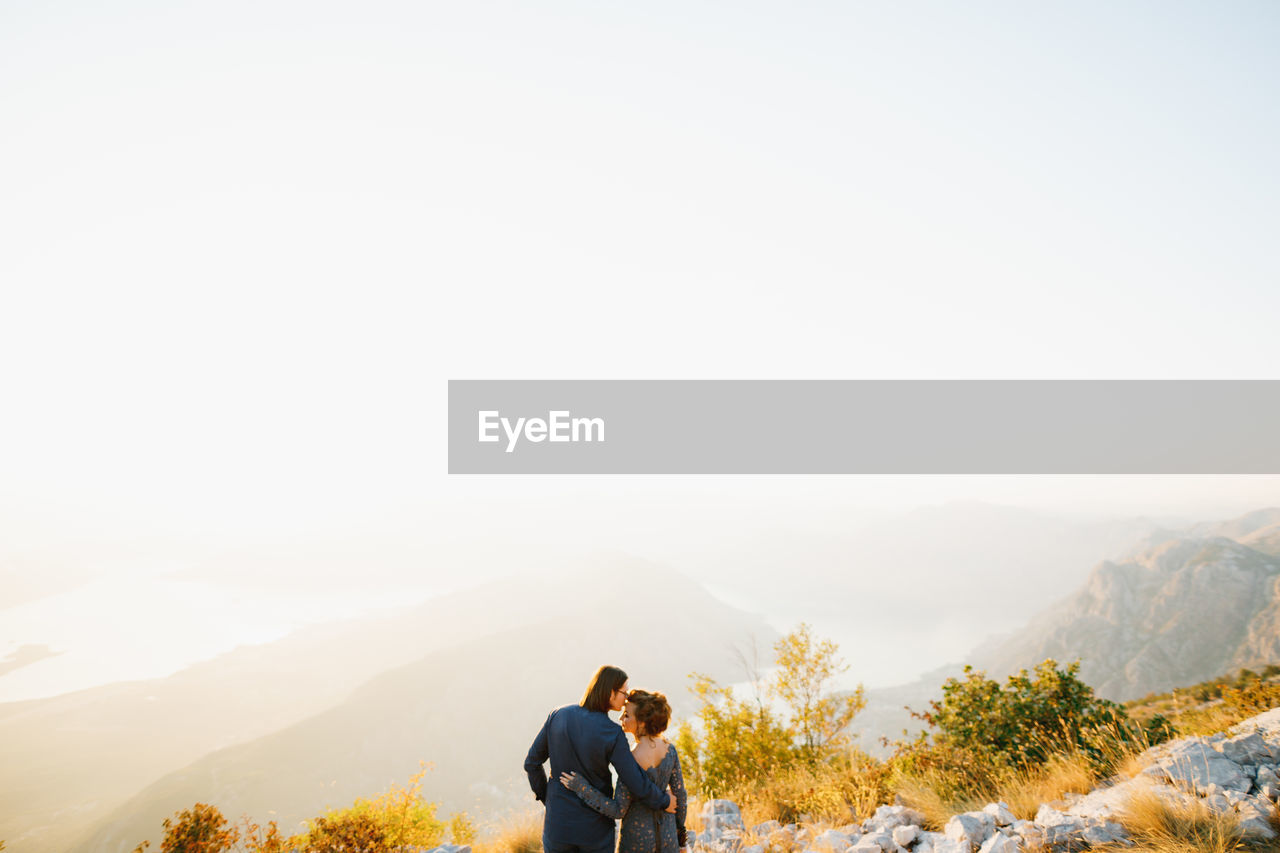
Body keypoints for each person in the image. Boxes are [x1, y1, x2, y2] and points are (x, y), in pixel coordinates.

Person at [525, 665, 676, 853]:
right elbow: (635, 781)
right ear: (611, 693)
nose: (626, 697)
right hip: (595, 831)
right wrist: (664, 800)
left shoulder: (558, 715)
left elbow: (531, 763)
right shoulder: (612, 733)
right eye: (624, 692)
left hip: (558, 827)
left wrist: (550, 798)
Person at [559, 689, 688, 853]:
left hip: (636, 842)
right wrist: (680, 837)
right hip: (668, 840)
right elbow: (681, 797)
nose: (620, 718)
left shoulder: (629, 759)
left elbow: (618, 810)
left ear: (642, 722)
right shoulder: (670, 750)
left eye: (626, 715)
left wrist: (581, 787)